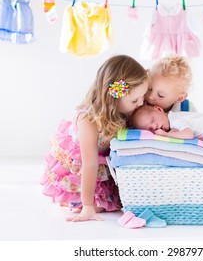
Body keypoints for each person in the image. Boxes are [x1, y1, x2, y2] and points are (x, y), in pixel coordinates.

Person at [41, 55, 149, 222]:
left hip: (102, 165)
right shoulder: (88, 120)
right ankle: (83, 202)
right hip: (83, 167)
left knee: (118, 201)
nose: (141, 103)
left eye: (142, 97)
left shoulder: (126, 109)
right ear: (114, 96)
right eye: (135, 100)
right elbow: (89, 164)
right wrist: (88, 206)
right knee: (102, 205)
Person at [130, 104, 203, 149]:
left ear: (159, 109)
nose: (154, 126)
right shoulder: (173, 122)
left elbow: (188, 134)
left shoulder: (175, 119)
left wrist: (166, 134)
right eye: (149, 129)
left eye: (153, 120)